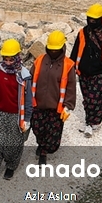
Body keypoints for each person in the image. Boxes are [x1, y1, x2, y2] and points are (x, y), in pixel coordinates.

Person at [28, 31, 77, 164]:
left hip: (56, 107)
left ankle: (44, 151)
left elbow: (71, 87)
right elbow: (30, 79)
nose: (53, 52)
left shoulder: (68, 65)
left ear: (62, 48)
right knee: (37, 129)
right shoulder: (39, 60)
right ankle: (41, 144)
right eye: (51, 49)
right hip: (37, 104)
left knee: (52, 134)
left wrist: (68, 105)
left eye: (56, 50)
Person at [0, 39, 33, 180]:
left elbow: (28, 98)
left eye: (11, 59)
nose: (7, 62)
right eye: (5, 59)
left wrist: (27, 119)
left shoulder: (24, 75)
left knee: (14, 144)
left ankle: (11, 166)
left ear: (17, 57)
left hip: (16, 114)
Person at [71, 4, 102, 137]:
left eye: (94, 19)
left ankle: (89, 124)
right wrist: (71, 66)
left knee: (95, 99)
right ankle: (92, 121)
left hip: (100, 72)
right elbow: (76, 50)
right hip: (84, 71)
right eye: (89, 19)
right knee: (87, 99)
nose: (91, 21)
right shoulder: (83, 32)